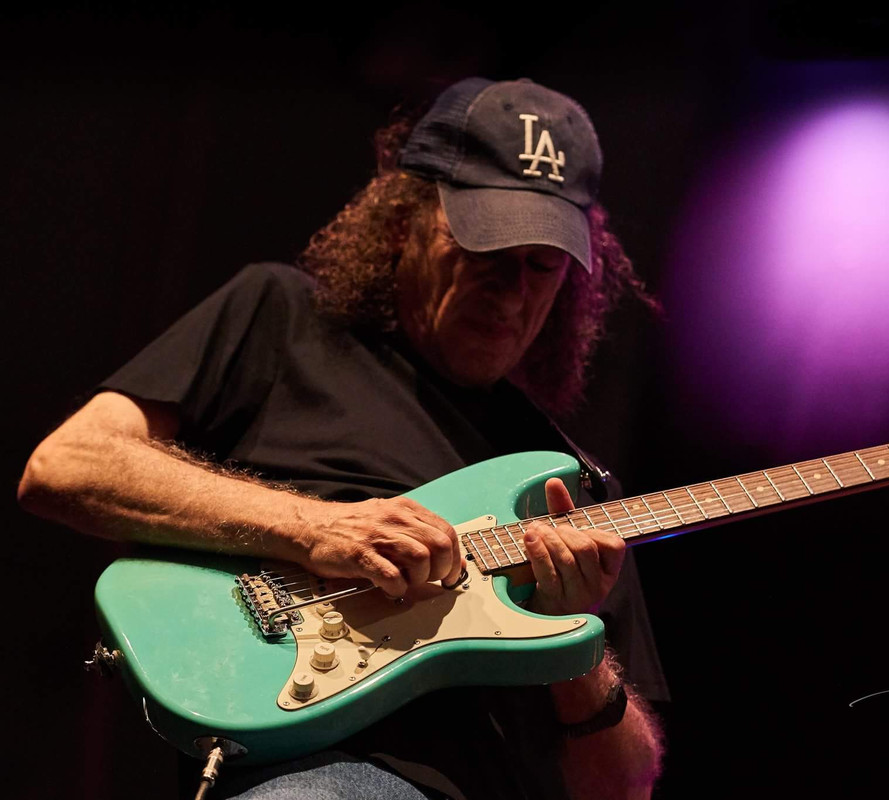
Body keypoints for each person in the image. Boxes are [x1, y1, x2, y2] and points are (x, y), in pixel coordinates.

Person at [18, 77, 667, 800]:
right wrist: (316, 528)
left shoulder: (571, 487)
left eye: (541, 263)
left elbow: (623, 786)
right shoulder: (284, 318)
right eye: (485, 245)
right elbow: (67, 465)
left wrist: (573, 646)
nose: (512, 290)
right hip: (318, 773)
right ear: (404, 220)